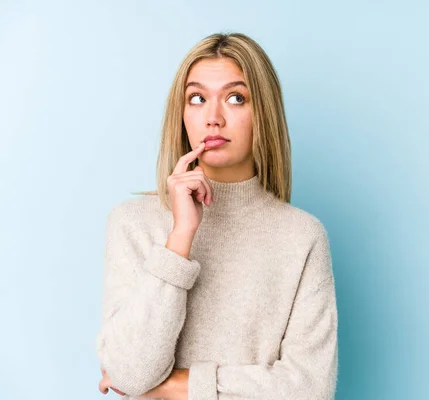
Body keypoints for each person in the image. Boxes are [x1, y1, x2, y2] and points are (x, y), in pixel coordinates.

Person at [96, 32, 338, 400]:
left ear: (263, 113)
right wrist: (180, 238)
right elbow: (129, 374)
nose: (213, 118)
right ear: (182, 115)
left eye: (235, 98)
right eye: (197, 98)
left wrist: (183, 386)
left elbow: (310, 388)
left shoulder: (301, 236)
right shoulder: (132, 223)